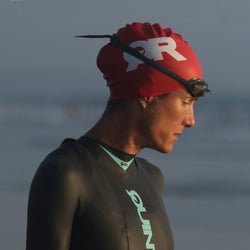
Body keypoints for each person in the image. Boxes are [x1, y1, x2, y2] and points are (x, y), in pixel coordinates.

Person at [26, 22, 210, 250]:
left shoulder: (153, 178)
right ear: (146, 95)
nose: (191, 121)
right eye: (185, 102)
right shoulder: (65, 173)